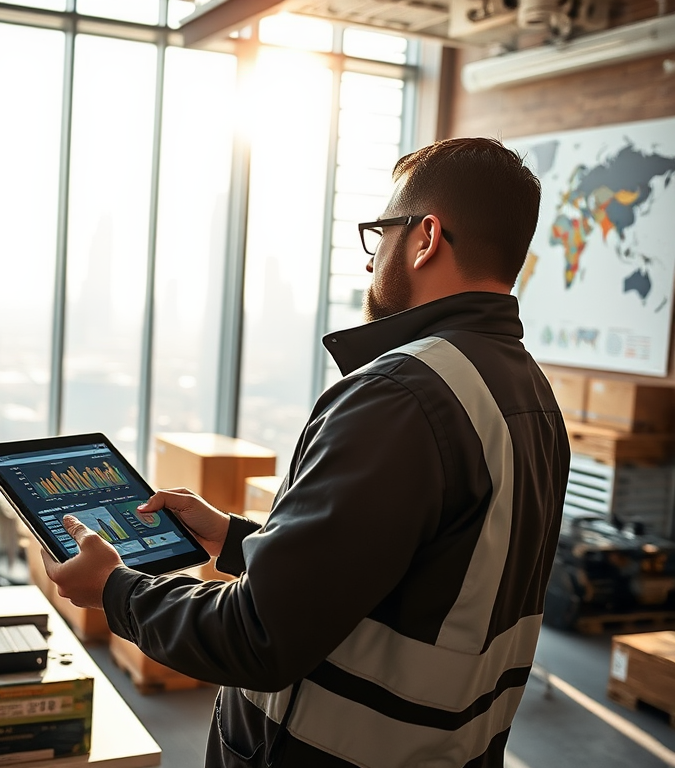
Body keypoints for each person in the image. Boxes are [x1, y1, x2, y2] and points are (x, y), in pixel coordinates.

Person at [43, 136, 572, 768]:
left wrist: (116, 589)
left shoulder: (399, 394)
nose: (373, 259)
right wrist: (235, 538)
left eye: (382, 235)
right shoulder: (527, 393)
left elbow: (257, 637)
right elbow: (411, 573)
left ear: (425, 237)